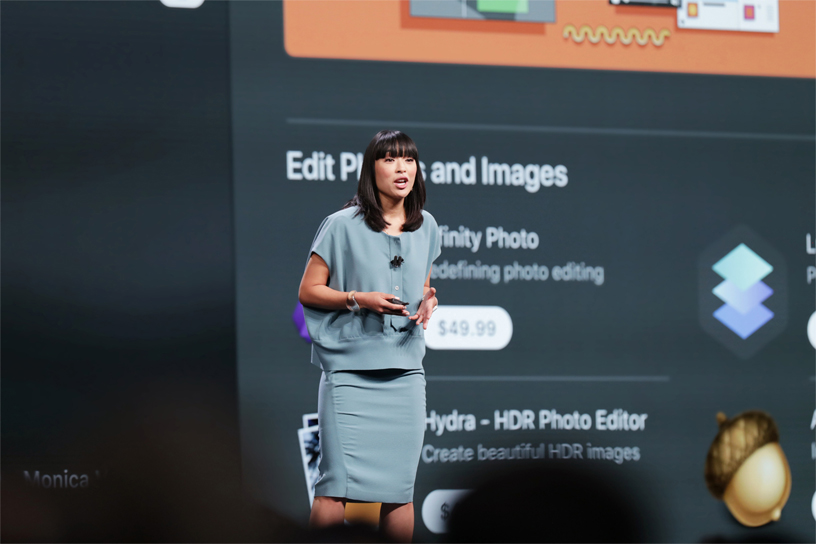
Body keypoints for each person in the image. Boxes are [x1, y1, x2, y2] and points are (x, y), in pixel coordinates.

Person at [298, 130, 441, 543]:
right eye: (390, 159)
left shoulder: (427, 226)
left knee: (399, 494)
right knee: (334, 490)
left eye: (409, 160)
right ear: (370, 169)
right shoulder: (341, 225)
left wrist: (430, 301)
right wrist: (360, 299)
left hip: (405, 374)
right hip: (350, 376)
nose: (402, 168)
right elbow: (309, 291)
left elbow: (424, 287)